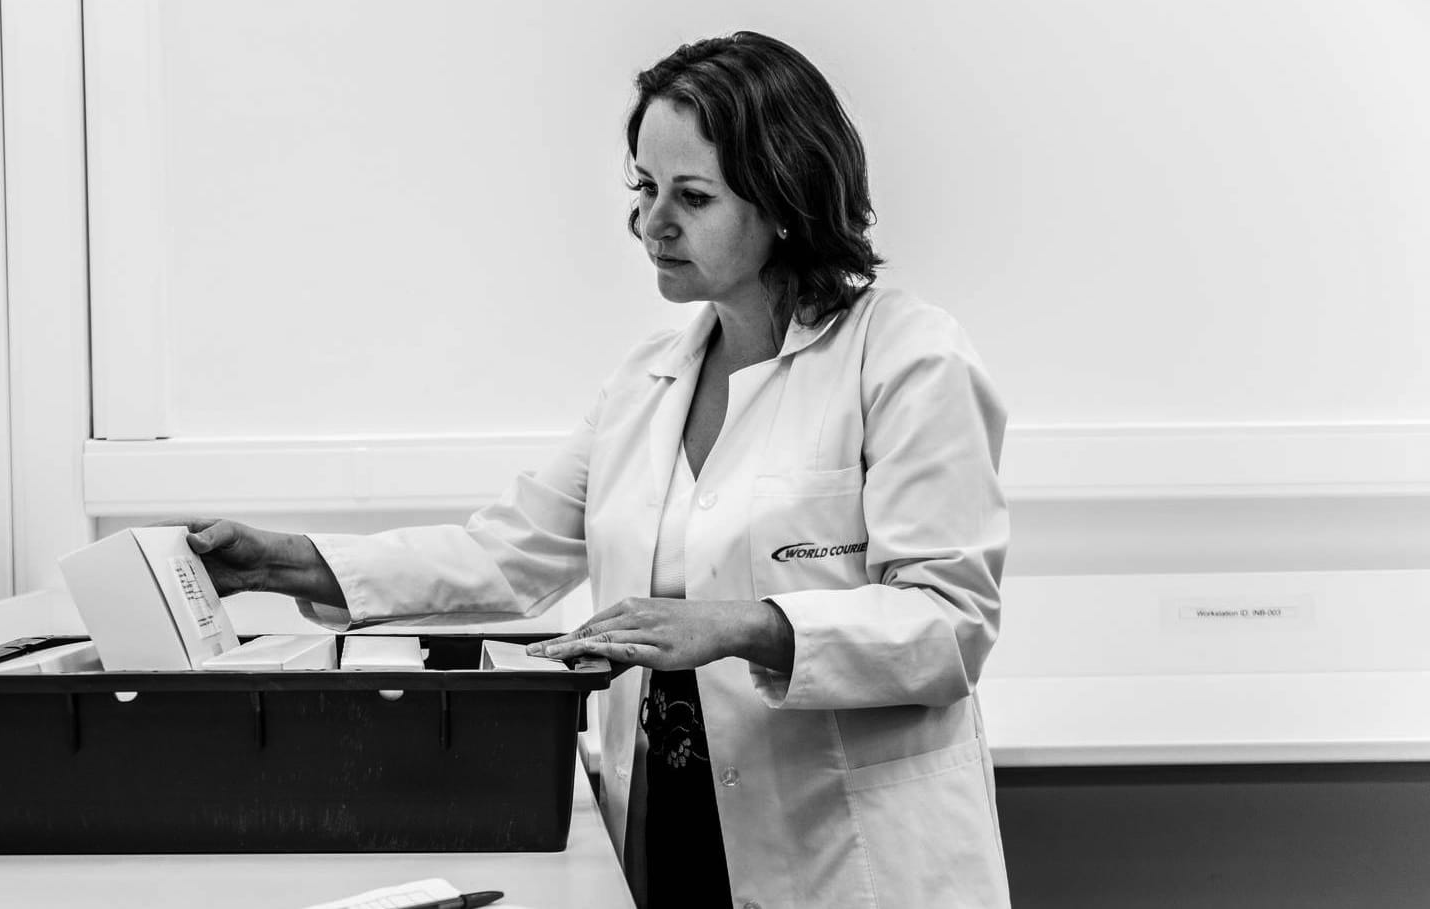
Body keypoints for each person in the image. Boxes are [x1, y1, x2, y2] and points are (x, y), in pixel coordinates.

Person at [181, 31, 1011, 909]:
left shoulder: (909, 360)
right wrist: (280, 563)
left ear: (785, 201)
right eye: (646, 189)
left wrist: (746, 624)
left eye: (692, 196)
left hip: (849, 852)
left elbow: (950, 622)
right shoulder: (648, 381)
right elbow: (505, 554)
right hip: (671, 827)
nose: (654, 223)